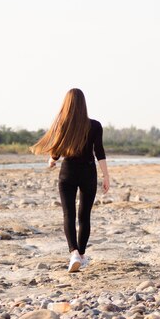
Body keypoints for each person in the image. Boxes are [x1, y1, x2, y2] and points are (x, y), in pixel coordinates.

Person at [31, 88, 110, 273]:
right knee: (84, 216)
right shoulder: (95, 125)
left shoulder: (63, 124)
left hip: (68, 172)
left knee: (68, 214)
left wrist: (52, 160)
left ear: (67, 104)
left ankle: (74, 253)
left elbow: (57, 149)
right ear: (84, 104)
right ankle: (81, 254)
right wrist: (106, 176)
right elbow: (99, 152)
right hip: (88, 172)